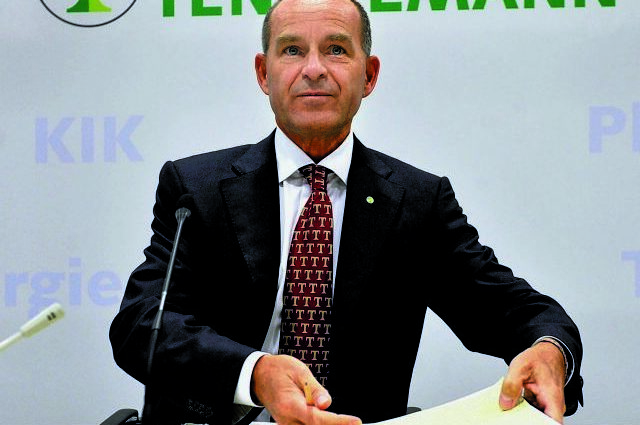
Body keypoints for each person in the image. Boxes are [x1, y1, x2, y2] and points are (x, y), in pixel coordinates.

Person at [109, 0, 583, 424]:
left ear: (369, 75)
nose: (314, 69)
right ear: (263, 73)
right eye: (292, 50)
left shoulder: (417, 202)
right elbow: (142, 324)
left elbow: (514, 310)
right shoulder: (196, 189)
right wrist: (254, 373)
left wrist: (550, 350)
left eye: (336, 50)